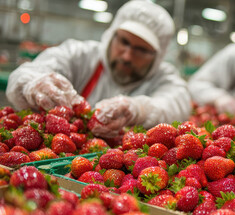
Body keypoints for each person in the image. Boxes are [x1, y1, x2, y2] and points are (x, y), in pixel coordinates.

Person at [6, 0, 191, 138]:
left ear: (157, 56)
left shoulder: (164, 76)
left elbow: (177, 102)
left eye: (141, 50)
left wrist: (138, 109)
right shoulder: (80, 54)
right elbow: (26, 73)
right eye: (124, 41)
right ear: (111, 35)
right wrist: (35, 83)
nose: (127, 56)